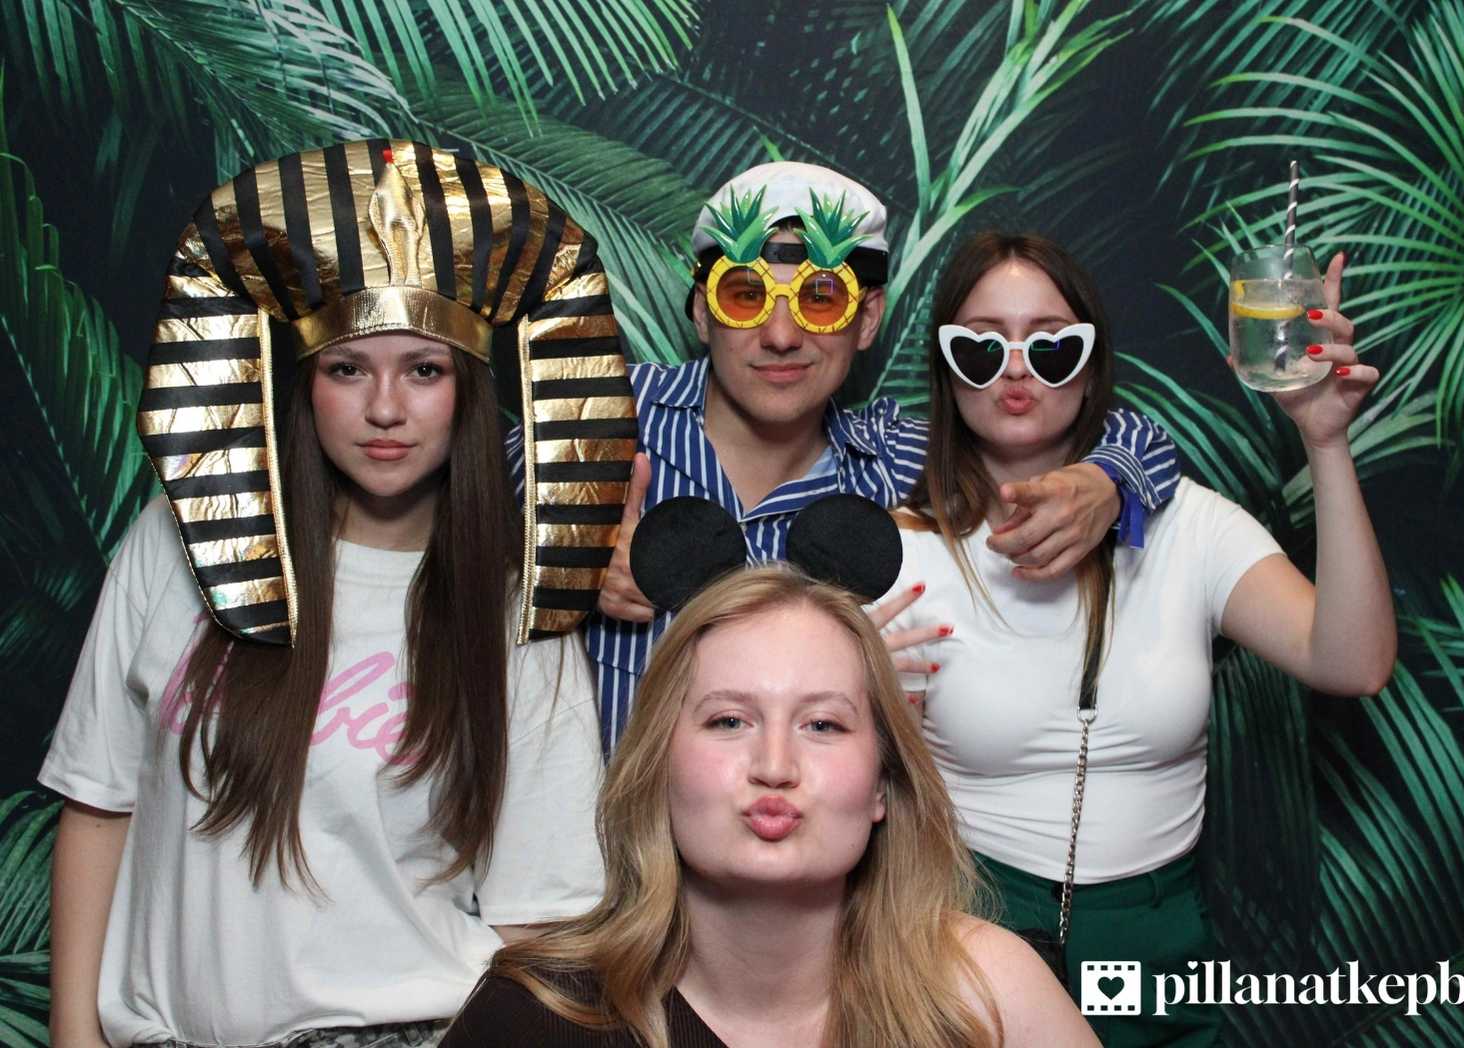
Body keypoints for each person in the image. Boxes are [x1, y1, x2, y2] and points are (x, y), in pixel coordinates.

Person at [42, 139, 637, 1048]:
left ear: (467, 391)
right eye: (348, 368)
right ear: (304, 383)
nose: (385, 408)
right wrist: (74, 1037)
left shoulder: (517, 609)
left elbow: (541, 914)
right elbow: (98, 805)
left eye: (424, 370)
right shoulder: (177, 543)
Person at [878, 232, 1396, 1046]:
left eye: (1051, 347)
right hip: (969, 927)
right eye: (979, 347)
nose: (1015, 370)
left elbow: (1353, 662)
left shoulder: (1190, 525)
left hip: (1155, 935)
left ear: (1090, 370)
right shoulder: (900, 548)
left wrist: (1323, 442)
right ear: (946, 370)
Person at [507, 161, 1181, 755]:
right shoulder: (605, 417)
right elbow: (463, 496)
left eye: (820, 299)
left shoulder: (894, 459)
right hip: (600, 851)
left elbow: (1135, 438)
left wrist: (1105, 482)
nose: (780, 335)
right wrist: (565, 551)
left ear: (867, 319)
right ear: (703, 314)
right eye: (745, 296)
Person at [443, 566, 1098, 1047]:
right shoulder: (535, 1015)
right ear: (658, 766)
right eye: (728, 721)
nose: (775, 766)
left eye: (823, 725)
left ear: (882, 784)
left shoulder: (988, 995)